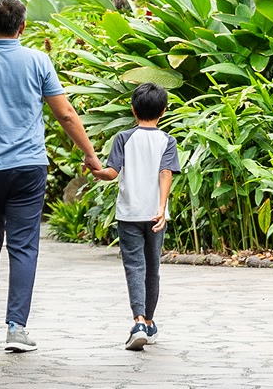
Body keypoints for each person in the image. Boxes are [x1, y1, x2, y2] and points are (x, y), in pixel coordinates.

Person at [0, 0, 102, 353]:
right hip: (29, 168)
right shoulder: (39, 60)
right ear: (23, 27)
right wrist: (91, 156)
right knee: (24, 247)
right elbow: (65, 114)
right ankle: (17, 327)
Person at [89, 82, 181, 351]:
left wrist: (95, 170)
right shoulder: (168, 140)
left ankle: (139, 321)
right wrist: (162, 208)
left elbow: (111, 173)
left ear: (132, 109)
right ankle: (150, 322)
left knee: (134, 267)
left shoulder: (123, 138)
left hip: (129, 213)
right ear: (163, 111)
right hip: (156, 215)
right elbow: (166, 173)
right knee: (152, 268)